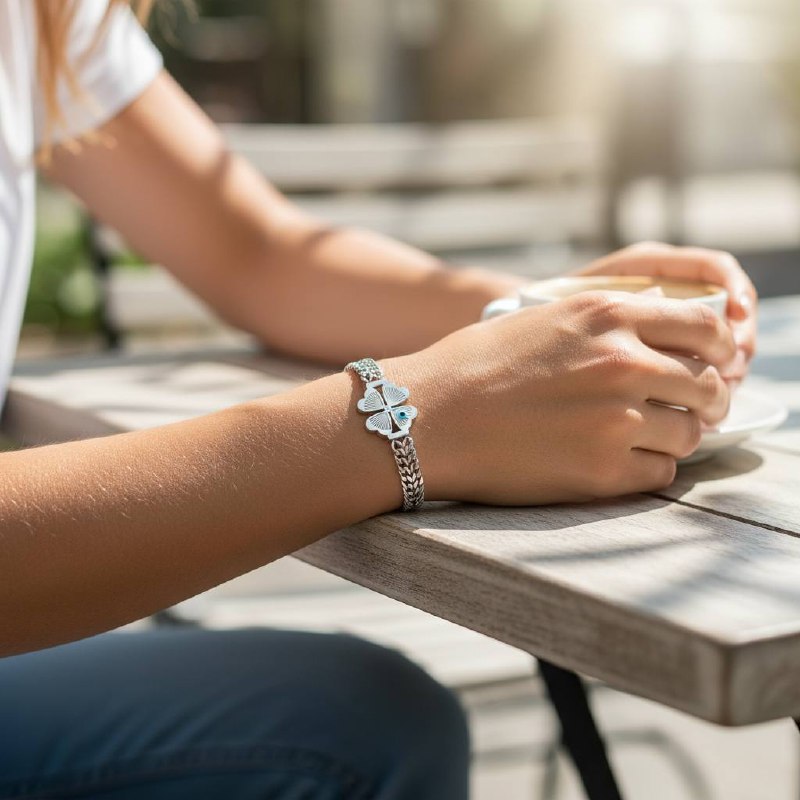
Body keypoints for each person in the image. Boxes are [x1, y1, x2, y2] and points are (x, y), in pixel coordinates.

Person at [0, 1, 756, 798]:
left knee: (364, 720)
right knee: (362, 731)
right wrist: (411, 420)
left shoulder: (48, 18)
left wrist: (560, 320)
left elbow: (259, 255)